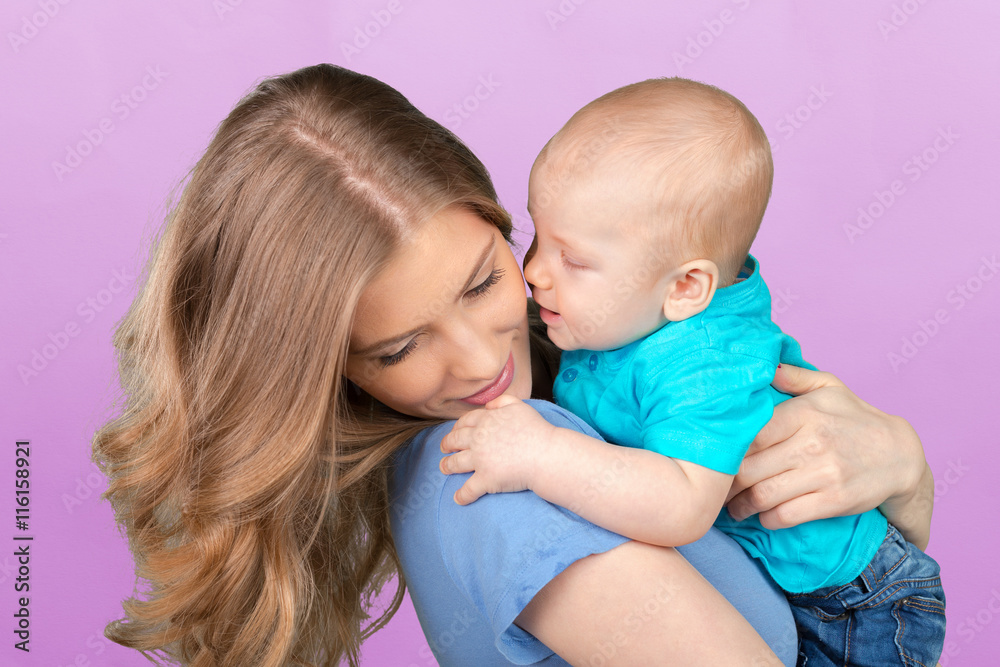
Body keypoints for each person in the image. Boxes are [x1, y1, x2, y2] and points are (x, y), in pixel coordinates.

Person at [91, 64, 936, 667]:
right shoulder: (496, 468)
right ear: (319, 372)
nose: (481, 360)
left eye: (486, 279)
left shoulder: (597, 354)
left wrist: (903, 469)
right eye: (399, 347)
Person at [440, 78, 946, 665]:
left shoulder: (705, 360)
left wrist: (539, 454)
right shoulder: (623, 312)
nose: (537, 274)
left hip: (859, 604)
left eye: (574, 260)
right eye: (536, 236)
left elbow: (680, 504)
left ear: (686, 287)